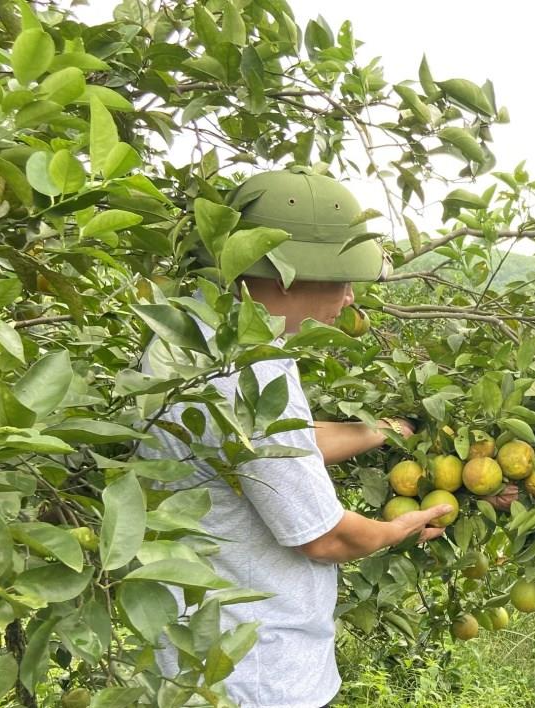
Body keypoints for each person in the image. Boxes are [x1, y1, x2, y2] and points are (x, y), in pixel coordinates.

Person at [141, 167, 451, 707]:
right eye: (342, 279)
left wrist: (383, 431)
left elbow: (274, 446)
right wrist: (399, 528)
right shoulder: (247, 370)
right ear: (288, 274)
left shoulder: (193, 335)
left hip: (195, 648)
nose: (351, 298)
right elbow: (326, 536)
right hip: (253, 670)